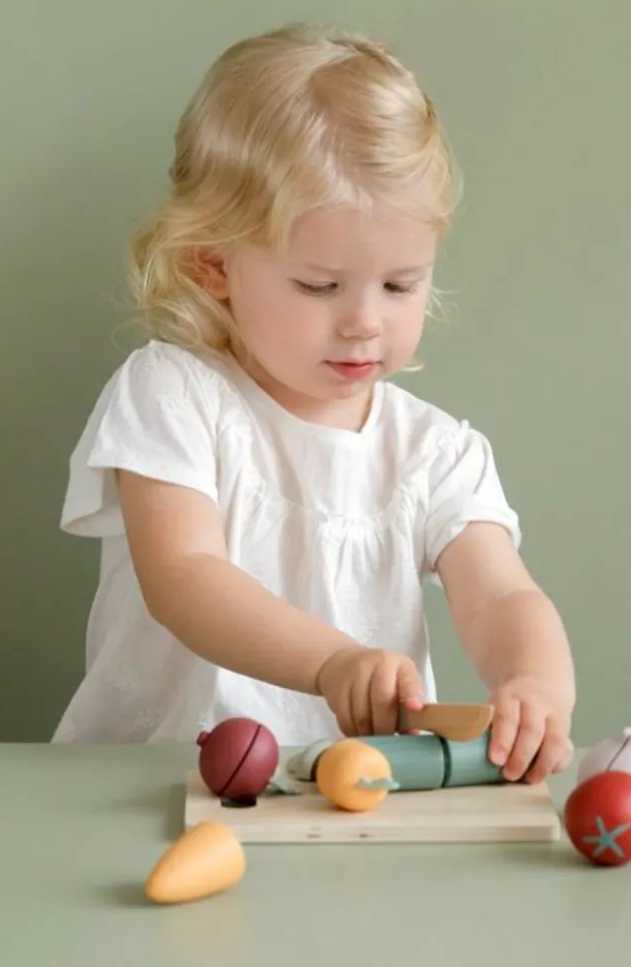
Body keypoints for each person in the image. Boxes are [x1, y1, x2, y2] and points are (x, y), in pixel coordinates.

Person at [54, 23, 576, 784]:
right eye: (320, 285)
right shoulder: (173, 394)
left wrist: (536, 684)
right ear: (213, 265)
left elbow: (500, 594)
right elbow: (185, 576)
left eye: (400, 284)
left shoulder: (433, 453)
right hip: (147, 787)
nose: (365, 320)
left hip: (350, 801)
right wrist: (331, 661)